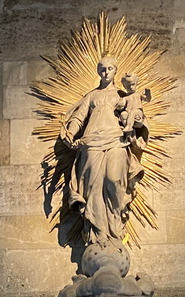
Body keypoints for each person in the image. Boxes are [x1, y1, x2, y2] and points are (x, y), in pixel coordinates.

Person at [59, 56, 148, 247]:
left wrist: (136, 119)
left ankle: (114, 229)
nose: (106, 72)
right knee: (92, 187)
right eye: (102, 69)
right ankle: (96, 231)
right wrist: (71, 134)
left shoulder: (123, 95)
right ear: (98, 72)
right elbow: (78, 118)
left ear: (115, 71)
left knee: (115, 180)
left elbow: (137, 115)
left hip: (116, 140)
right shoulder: (91, 96)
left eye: (109, 69)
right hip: (91, 142)